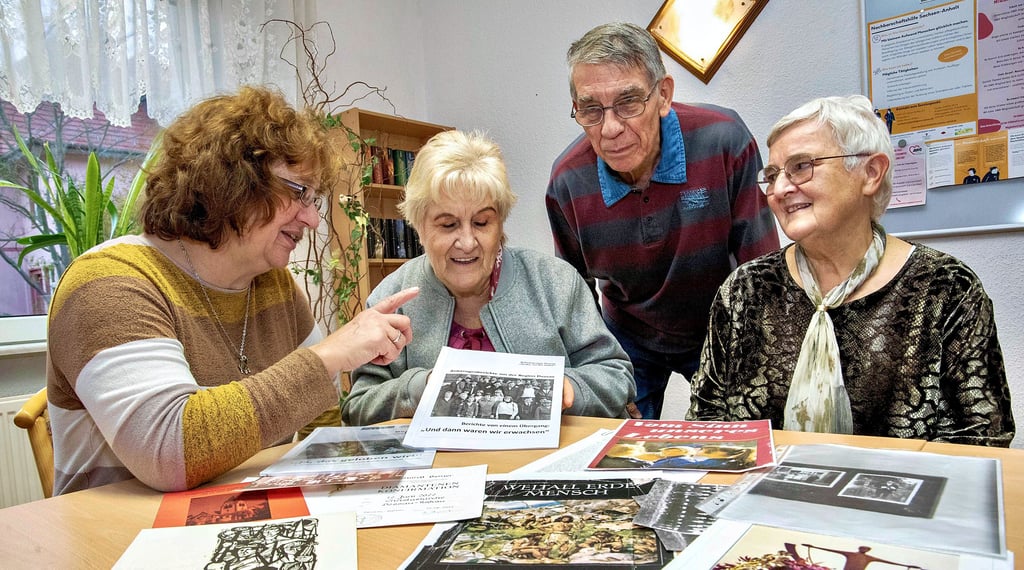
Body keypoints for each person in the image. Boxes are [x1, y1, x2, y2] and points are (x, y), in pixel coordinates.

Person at [46, 86, 419, 495]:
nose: (312, 219)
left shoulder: (274, 285)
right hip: (117, 543)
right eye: (299, 194)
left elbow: (320, 420)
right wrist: (328, 355)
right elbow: (170, 452)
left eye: (316, 200)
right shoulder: (109, 283)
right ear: (229, 180)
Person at [687, 95, 1014, 447]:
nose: (780, 189)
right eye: (772, 175)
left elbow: (982, 440)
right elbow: (707, 424)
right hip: (760, 496)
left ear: (870, 173)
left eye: (801, 166)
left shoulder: (946, 289)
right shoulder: (746, 289)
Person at [545, 22, 779, 419]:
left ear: (663, 95)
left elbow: (761, 269)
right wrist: (596, 377)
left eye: (629, 102)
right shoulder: (567, 181)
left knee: (740, 436)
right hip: (627, 334)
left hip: (718, 323)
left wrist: (758, 365)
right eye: (591, 110)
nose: (611, 128)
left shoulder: (724, 141)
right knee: (616, 448)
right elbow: (574, 300)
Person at [342, 130, 635, 425]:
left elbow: (615, 376)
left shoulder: (555, 283)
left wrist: (568, 389)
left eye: (482, 222)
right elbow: (358, 407)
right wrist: (421, 388)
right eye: (448, 225)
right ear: (419, 226)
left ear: (501, 222)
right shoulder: (392, 297)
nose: (467, 242)